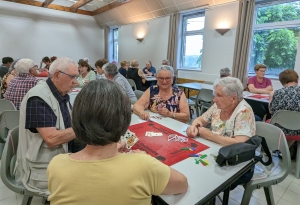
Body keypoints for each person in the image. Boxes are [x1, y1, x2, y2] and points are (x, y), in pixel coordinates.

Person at [47, 79, 188, 205]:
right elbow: (182, 184)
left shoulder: (55, 164)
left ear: (77, 119)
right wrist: (145, 159)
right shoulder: (143, 165)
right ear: (124, 121)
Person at [16, 57, 79, 196]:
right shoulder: (39, 97)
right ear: (57, 75)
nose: (76, 82)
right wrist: (85, 127)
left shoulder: (60, 93)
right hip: (41, 171)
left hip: (57, 160)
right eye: (73, 77)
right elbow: (51, 139)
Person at [186, 77, 256, 189]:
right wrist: (194, 126)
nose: (214, 99)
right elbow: (201, 119)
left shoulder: (243, 111)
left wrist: (209, 135)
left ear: (233, 99)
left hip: (237, 163)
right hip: (215, 153)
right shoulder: (218, 106)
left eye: (219, 95)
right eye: (215, 95)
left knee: (201, 178)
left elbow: (240, 144)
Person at [269, 69, 300, 136]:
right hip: (298, 129)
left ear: (281, 82)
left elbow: (271, 111)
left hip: (279, 129)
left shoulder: (275, 93)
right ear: (297, 79)